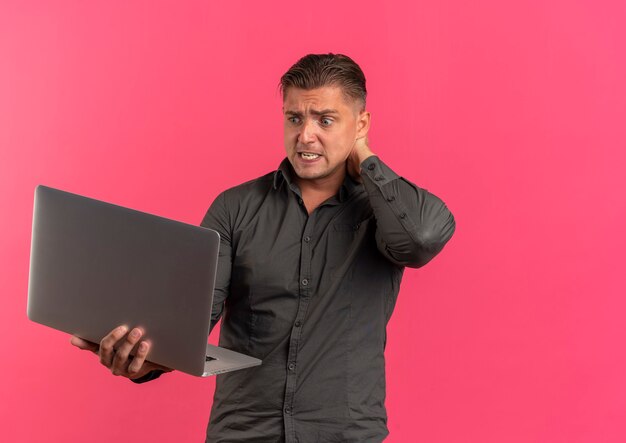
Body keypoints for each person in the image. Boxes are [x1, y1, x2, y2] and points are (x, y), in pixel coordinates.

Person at [71, 53, 456, 442]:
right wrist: (143, 361)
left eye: (325, 120)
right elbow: (187, 323)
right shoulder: (234, 208)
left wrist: (366, 159)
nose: (306, 136)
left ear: (361, 123)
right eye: (295, 119)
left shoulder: (383, 212)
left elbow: (422, 239)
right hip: (244, 434)